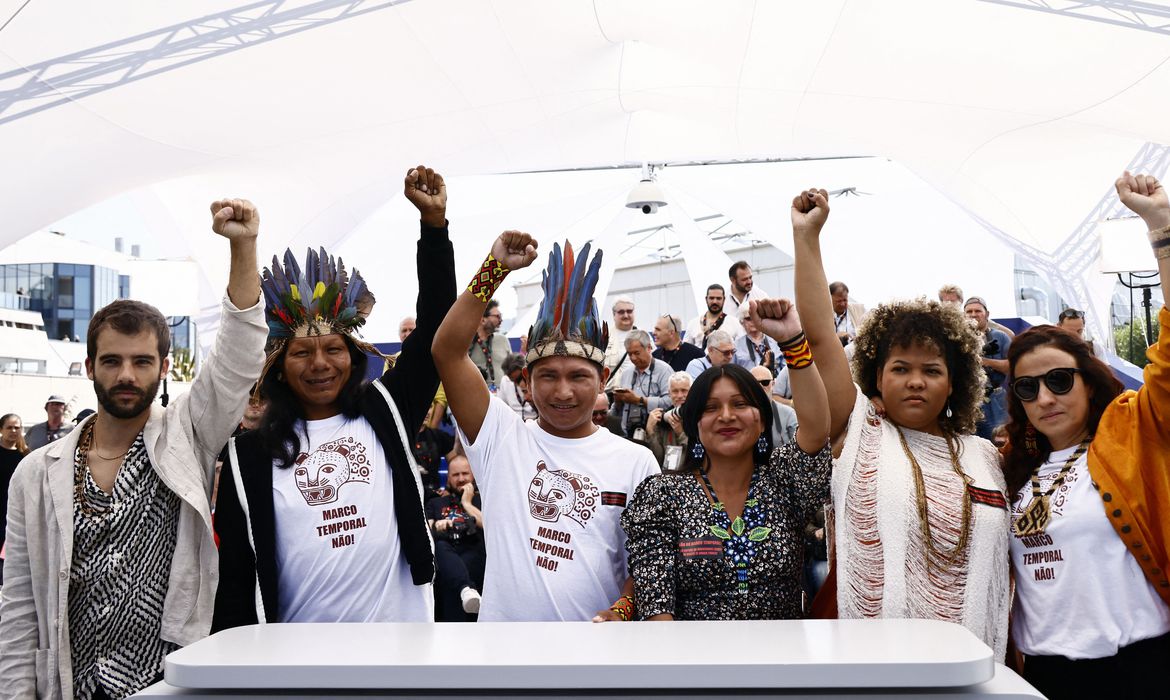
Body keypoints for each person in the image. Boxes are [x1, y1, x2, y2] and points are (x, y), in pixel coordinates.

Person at [0, 198, 267, 699]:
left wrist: (243, 245)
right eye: (112, 361)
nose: (126, 375)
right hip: (70, 684)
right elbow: (18, 605)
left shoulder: (188, 435)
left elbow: (237, 358)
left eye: (142, 361)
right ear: (88, 368)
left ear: (164, 368)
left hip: (167, 683)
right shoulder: (36, 473)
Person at [212, 165, 456, 630]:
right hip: (296, 664)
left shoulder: (387, 410)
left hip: (401, 646)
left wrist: (434, 228)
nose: (320, 363)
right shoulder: (249, 455)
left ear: (354, 354)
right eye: (302, 352)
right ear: (279, 367)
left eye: (333, 349)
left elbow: (437, 327)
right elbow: (237, 578)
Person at [791, 187, 1010, 657]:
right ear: (875, 376)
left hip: (972, 670)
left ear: (954, 384)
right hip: (875, 670)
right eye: (900, 369)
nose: (916, 381)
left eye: (932, 370)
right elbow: (821, 337)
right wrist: (807, 238)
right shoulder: (859, 431)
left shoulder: (985, 455)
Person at [1000, 172, 1170, 698]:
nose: (1045, 398)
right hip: (1045, 676)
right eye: (1028, 388)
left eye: (1058, 380)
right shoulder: (1008, 467)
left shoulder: (1130, 428)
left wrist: (1161, 232)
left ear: (1088, 380)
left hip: (1137, 669)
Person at [432, 233, 659, 622]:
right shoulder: (500, 437)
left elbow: (651, 559)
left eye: (578, 376)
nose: (563, 391)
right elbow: (446, 350)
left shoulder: (636, 461)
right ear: (526, 382)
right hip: (505, 661)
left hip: (597, 659)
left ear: (603, 378)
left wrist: (623, 608)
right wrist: (494, 269)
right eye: (548, 376)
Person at [622, 297, 831, 620]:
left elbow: (817, 430)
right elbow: (657, 607)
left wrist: (792, 341)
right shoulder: (663, 496)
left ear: (762, 419)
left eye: (739, 404)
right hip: (695, 664)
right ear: (694, 424)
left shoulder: (784, 481)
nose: (726, 416)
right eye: (710, 408)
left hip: (786, 660)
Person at [426, 455, 486, 622]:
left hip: (475, 554)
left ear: (473, 475)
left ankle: (467, 590)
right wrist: (438, 524)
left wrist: (467, 504)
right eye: (455, 475)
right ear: (448, 478)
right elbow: (428, 529)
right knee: (440, 546)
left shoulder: (482, 499)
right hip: (446, 559)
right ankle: (466, 589)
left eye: (465, 474)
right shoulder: (436, 503)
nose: (461, 479)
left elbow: (491, 527)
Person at [965, 296, 1012, 440]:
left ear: (987, 314)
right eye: (969, 311)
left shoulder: (1000, 337)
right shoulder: (958, 338)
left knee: (1000, 443)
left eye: (978, 311)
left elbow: (1012, 367)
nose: (973, 314)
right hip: (967, 400)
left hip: (996, 401)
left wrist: (983, 361)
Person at [611, 330, 672, 438]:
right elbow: (615, 412)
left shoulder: (664, 370)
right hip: (627, 435)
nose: (633, 358)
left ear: (649, 348)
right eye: (629, 354)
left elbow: (671, 402)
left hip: (655, 436)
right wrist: (618, 402)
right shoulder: (626, 374)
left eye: (637, 353)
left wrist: (639, 400)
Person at [0, 413, 29, 584]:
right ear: (1, 429)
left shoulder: (26, 455)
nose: (13, 431)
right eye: (9, 427)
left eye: (17, 427)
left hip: (14, 510)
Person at [645, 372, 691, 468]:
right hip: (666, 474)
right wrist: (650, 430)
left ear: (692, 392)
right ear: (669, 393)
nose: (679, 395)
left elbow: (698, 456)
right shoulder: (662, 419)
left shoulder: (698, 418)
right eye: (675, 391)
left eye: (684, 390)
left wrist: (681, 434)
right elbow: (657, 458)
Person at [469, 300, 511, 392]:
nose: (501, 320)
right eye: (497, 316)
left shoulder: (503, 340)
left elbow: (511, 367)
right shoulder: (467, 342)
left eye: (501, 316)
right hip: (476, 394)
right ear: (482, 319)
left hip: (502, 395)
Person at [750, 366, 797, 447]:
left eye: (765, 382)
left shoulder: (788, 414)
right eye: (755, 383)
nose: (760, 387)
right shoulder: (741, 414)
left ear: (773, 384)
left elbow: (798, 448)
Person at [602, 297, 639, 394]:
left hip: (636, 395)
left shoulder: (644, 337)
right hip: (611, 394)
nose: (626, 315)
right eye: (621, 312)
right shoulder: (604, 337)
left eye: (629, 311)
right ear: (614, 315)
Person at [735, 304, 780, 375]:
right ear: (742, 322)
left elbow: (785, 370)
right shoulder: (735, 346)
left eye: (756, 317)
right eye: (748, 318)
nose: (753, 321)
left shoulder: (776, 342)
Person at [499, 353, 537, 421]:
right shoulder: (505, 381)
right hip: (514, 422)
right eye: (512, 380)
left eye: (518, 378)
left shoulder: (534, 380)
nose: (517, 384)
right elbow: (502, 407)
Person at [829, 282, 863, 346]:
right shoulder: (823, 315)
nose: (842, 304)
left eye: (845, 300)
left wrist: (854, 336)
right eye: (839, 301)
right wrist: (836, 337)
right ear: (830, 298)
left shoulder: (859, 310)